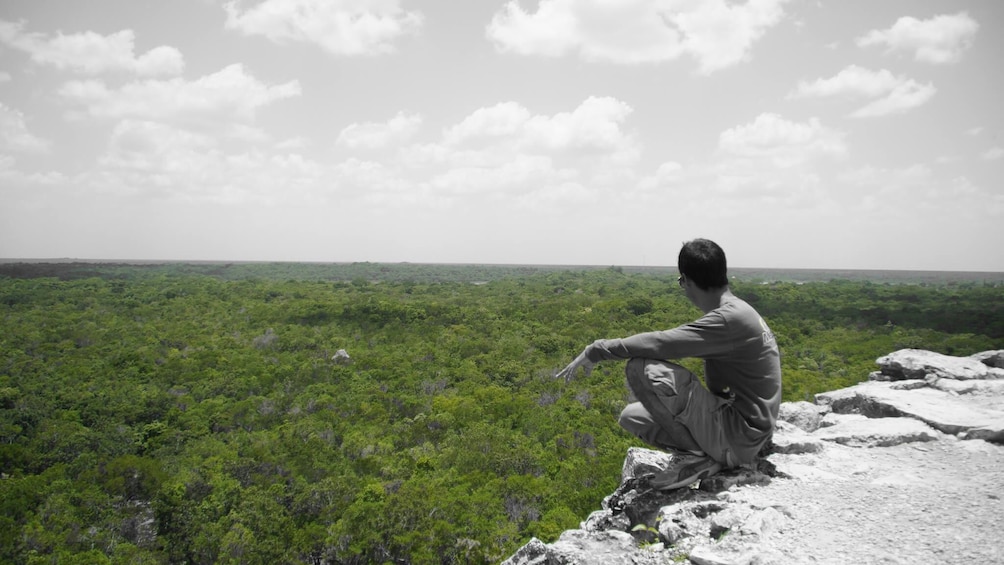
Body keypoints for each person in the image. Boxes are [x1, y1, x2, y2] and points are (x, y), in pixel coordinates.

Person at [556, 238, 781, 490]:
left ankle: (695, 458)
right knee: (632, 417)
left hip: (740, 436)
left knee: (639, 368)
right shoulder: (740, 312)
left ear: (687, 280)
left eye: (681, 282)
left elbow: (659, 344)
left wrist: (597, 349)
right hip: (745, 431)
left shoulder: (730, 319)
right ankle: (705, 453)